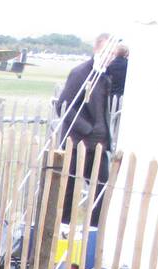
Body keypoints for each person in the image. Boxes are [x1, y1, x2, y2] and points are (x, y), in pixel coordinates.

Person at [55, 35, 114, 227]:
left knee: (102, 189)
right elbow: (64, 105)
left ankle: (94, 229)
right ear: (97, 49)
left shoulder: (104, 76)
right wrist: (87, 129)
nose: (111, 56)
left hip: (99, 146)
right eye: (108, 52)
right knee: (69, 189)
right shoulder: (81, 73)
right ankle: (63, 228)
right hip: (78, 143)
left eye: (113, 53)